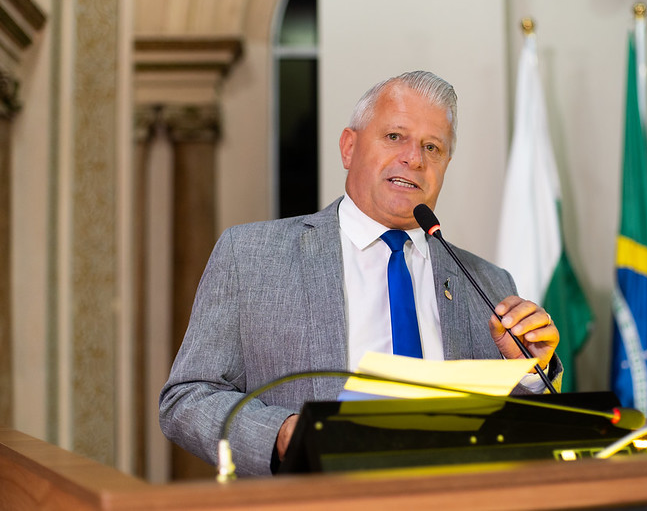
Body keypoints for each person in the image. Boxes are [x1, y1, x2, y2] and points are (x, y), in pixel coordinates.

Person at [159, 70, 562, 477]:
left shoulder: (490, 284)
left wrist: (531, 374)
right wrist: (280, 433)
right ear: (349, 148)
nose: (414, 158)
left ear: (445, 165)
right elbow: (188, 397)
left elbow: (527, 437)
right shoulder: (251, 256)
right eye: (395, 136)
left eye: (432, 147)